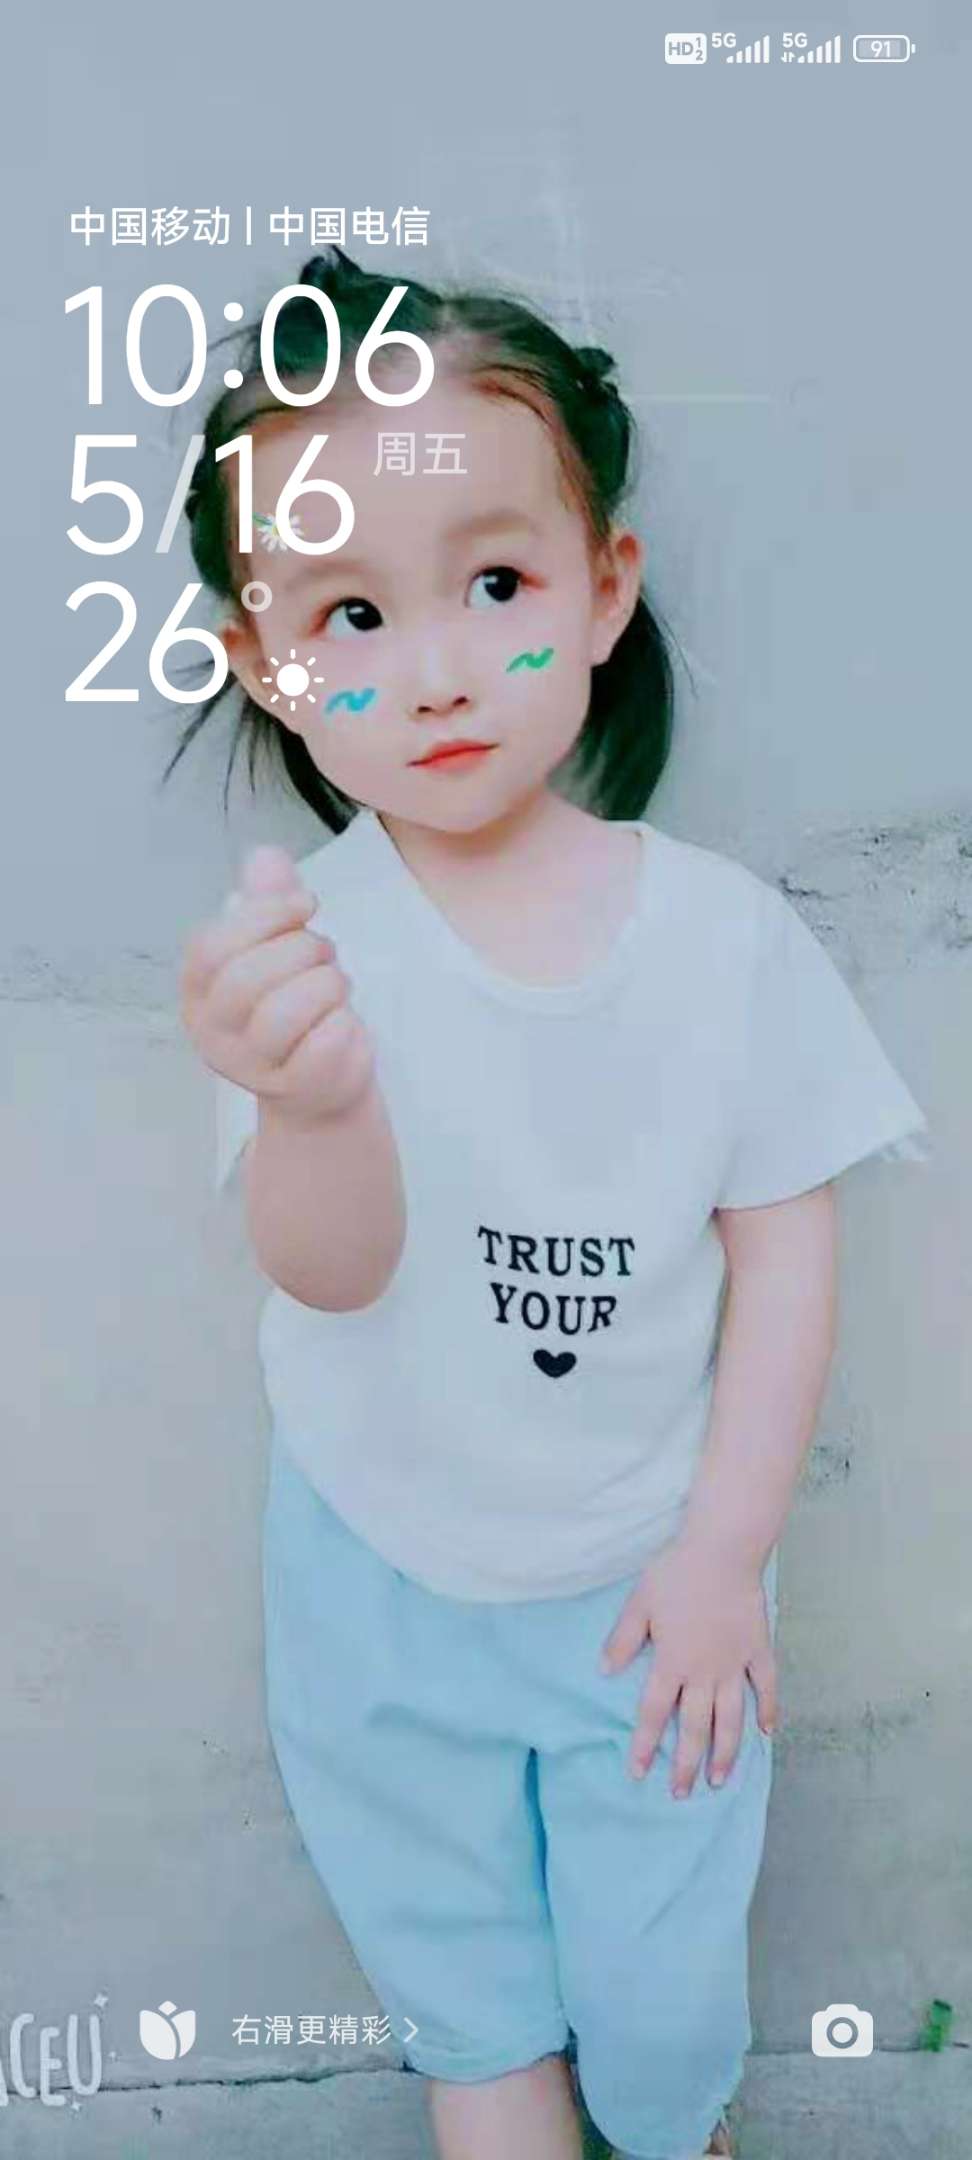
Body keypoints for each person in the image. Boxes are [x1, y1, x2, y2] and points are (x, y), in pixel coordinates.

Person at [173, 247, 930, 2160]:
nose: (433, 669)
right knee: (474, 2013)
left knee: (664, 2020)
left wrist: (724, 1552)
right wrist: (314, 1099)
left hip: (648, 1583)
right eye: (353, 614)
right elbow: (327, 1272)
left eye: (495, 586)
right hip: (377, 1581)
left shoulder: (722, 942)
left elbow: (786, 1246)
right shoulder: (296, 953)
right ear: (269, 663)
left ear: (604, 590)